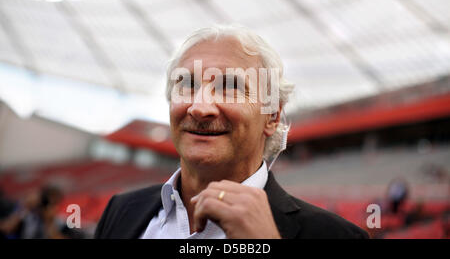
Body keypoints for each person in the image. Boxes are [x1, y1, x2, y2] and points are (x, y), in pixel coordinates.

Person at [94, 24, 369, 239]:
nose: (200, 108)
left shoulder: (337, 235)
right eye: (187, 84)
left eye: (230, 87)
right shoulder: (121, 211)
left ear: (272, 115)